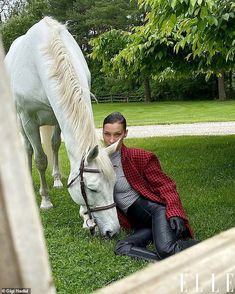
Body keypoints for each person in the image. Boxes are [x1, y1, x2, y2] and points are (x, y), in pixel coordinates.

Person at [102, 112, 199, 262]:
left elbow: (166, 186)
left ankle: (216, 248)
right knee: (122, 247)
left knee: (166, 249)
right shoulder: (97, 161)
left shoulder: (139, 156)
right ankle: (163, 263)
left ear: (125, 133)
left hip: (156, 213)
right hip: (140, 225)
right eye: (107, 134)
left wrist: (175, 212)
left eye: (117, 134)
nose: (111, 140)